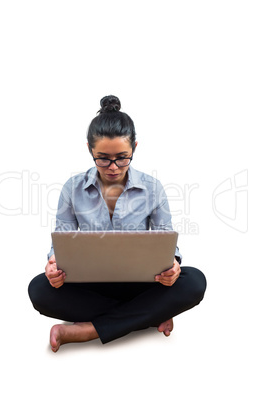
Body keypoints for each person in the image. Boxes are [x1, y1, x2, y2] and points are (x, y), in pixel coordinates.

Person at [28, 95, 207, 352]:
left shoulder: (152, 188)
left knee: (195, 281)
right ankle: (150, 315)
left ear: (134, 147)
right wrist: (53, 265)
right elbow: (61, 240)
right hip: (91, 285)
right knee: (39, 289)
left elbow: (166, 241)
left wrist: (174, 266)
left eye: (122, 157)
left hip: (142, 284)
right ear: (89, 149)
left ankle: (87, 330)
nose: (113, 167)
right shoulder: (72, 188)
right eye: (103, 158)